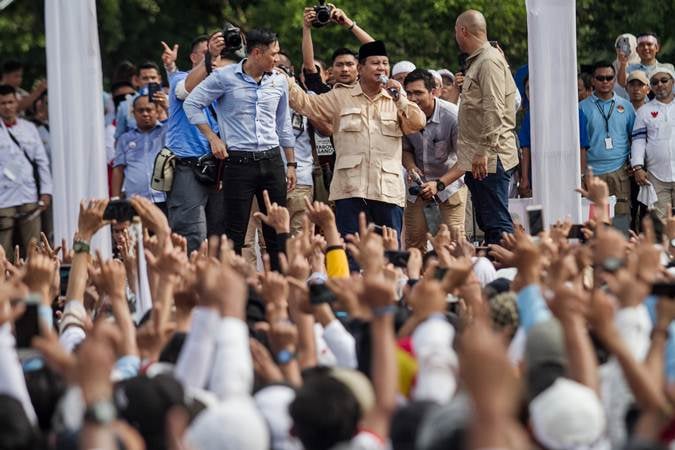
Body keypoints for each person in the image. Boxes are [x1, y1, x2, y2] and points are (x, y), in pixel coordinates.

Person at [286, 40, 426, 246]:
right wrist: (285, 80)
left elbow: (418, 123)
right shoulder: (341, 96)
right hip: (350, 190)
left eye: (385, 63)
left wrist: (400, 98)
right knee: (350, 253)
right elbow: (307, 104)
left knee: (389, 254)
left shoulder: (396, 99)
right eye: (375, 63)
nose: (381, 68)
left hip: (386, 192)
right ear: (360, 68)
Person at [183, 28, 296, 270]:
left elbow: (283, 124)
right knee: (234, 233)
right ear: (256, 53)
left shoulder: (279, 80)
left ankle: (281, 290)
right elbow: (191, 103)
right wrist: (212, 137)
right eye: (273, 54)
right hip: (238, 163)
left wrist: (292, 163)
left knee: (277, 231)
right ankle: (233, 293)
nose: (277, 59)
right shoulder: (224, 77)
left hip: (272, 160)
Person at [435, 10, 519, 245]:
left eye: (455, 32)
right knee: (490, 223)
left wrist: (482, 150)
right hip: (480, 157)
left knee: (497, 223)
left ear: (463, 31)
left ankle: (510, 274)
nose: (455, 37)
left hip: (489, 157)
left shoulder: (488, 61)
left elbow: (494, 109)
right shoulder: (481, 60)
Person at [161, 34, 233, 253]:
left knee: (220, 240)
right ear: (194, 58)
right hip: (187, 168)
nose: (214, 58)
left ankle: (217, 286)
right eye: (207, 53)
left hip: (219, 168)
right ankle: (189, 286)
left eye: (218, 54)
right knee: (192, 238)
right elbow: (186, 89)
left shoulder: (228, 85)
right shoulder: (178, 79)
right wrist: (210, 57)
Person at [402, 69, 467, 251]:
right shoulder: (403, 114)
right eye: (409, 93)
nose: (412, 98)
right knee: (414, 244)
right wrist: (411, 166)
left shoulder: (453, 115)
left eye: (418, 93)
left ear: (433, 92)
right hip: (418, 189)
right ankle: (417, 278)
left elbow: (466, 160)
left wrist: (438, 185)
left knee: (454, 245)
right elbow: (404, 149)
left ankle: (456, 279)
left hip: (449, 188)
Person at [579, 62, 636, 231]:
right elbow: (579, 146)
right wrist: (583, 175)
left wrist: (634, 164)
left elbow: (634, 138)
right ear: (593, 81)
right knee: (595, 222)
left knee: (621, 219)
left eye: (609, 78)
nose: (605, 81)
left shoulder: (626, 106)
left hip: (620, 171)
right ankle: (598, 254)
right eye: (600, 78)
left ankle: (621, 254)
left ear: (614, 81)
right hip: (592, 173)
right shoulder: (581, 108)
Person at [0, 84, 52, 259]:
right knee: (2, 249)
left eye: (10, 102)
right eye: (3, 103)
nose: (7, 106)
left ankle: (34, 282)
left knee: (33, 246)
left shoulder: (29, 128)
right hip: (3, 198)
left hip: (28, 194)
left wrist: (46, 191)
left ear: (17, 103)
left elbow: (42, 162)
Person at [518, 76, 590, 198]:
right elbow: (526, 148)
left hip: (568, 174)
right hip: (540, 174)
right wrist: (524, 178)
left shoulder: (576, 113)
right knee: (540, 213)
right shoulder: (532, 114)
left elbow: (581, 148)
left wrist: (581, 177)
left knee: (568, 213)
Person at [631, 67, 675, 220]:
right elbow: (638, 141)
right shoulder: (644, 111)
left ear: (673, 82)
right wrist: (637, 167)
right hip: (656, 176)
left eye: (664, 80)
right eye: (655, 82)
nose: (660, 85)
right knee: (660, 223)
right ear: (650, 86)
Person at [112, 95, 168, 211]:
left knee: (165, 230)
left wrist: (166, 107)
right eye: (140, 110)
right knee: (136, 230)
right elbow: (118, 170)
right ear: (133, 113)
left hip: (164, 199)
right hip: (135, 201)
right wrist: (115, 199)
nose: (145, 114)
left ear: (157, 112)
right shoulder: (124, 139)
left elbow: (179, 124)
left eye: (149, 110)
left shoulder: (166, 132)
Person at [114, 62, 167, 140]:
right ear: (136, 80)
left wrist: (166, 107)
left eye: (153, 78)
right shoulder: (125, 106)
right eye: (145, 78)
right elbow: (119, 138)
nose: (150, 81)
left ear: (159, 79)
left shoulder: (170, 101)